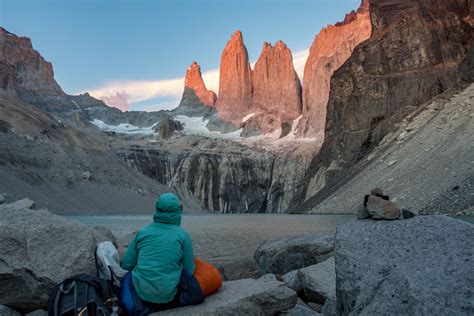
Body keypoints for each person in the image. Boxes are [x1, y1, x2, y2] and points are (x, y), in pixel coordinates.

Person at [120, 193, 221, 315]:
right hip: (170, 299)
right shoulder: (182, 235)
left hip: (142, 298)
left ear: (157, 209)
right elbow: (189, 269)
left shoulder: (142, 233)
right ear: (179, 211)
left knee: (128, 276)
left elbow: (126, 264)